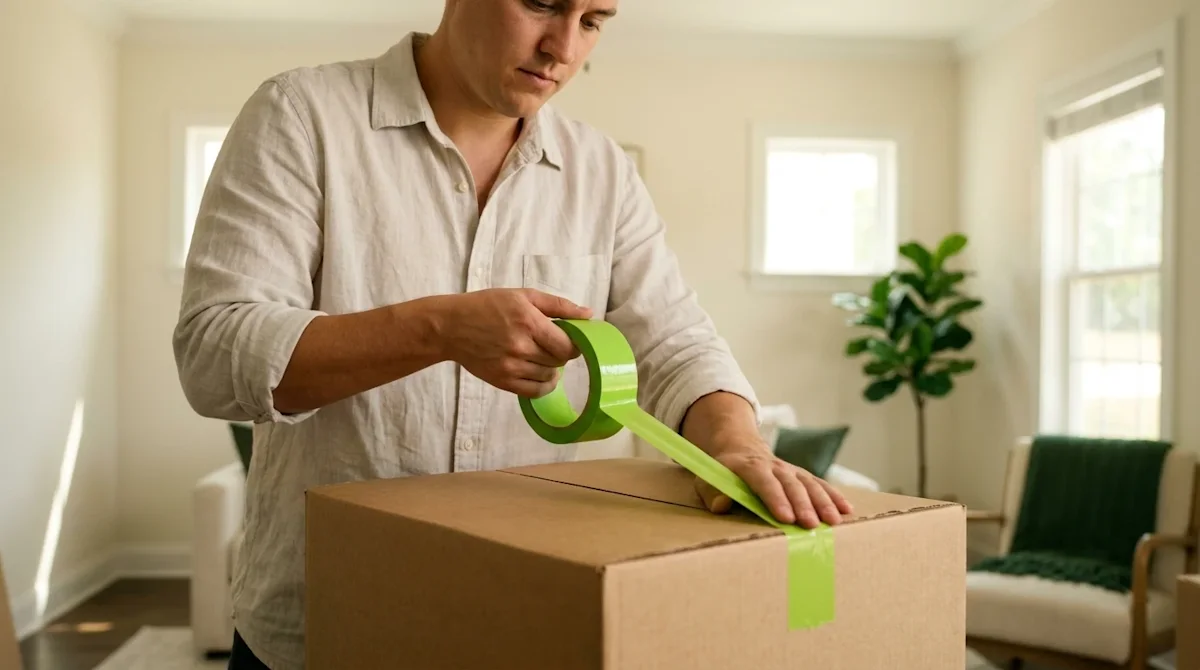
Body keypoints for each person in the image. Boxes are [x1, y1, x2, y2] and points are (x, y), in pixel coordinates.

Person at [173, 0, 854, 667]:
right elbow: (214, 352)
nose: (565, 47)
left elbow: (676, 342)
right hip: (319, 629)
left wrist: (737, 448)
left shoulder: (603, 173)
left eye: (593, 21)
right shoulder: (302, 115)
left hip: (521, 624)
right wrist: (438, 328)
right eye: (542, 4)